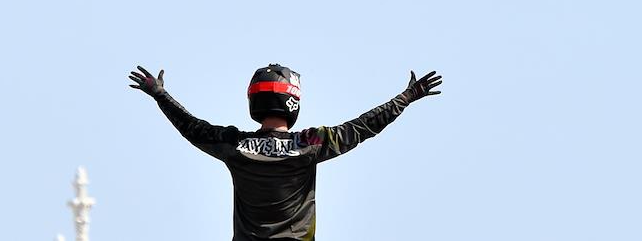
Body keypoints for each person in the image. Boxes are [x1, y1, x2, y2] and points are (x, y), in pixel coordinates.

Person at [128, 63, 442, 241]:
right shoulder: (310, 144)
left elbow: (191, 127)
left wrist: (159, 94)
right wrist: (406, 97)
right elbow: (362, 127)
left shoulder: (233, 145)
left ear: (253, 101)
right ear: (293, 103)